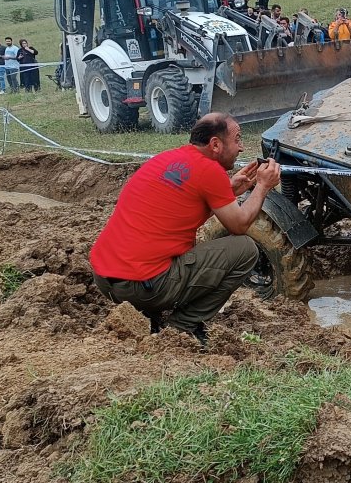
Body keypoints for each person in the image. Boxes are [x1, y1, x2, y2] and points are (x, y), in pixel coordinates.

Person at [90, 114, 281, 345]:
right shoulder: (210, 171)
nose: (241, 148)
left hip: (105, 279)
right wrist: (263, 186)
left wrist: (227, 191)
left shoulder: (169, 158)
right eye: (238, 139)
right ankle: (182, 326)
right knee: (245, 249)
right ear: (216, 144)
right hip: (141, 287)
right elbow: (239, 225)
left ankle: (149, 312)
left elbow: (181, 206)